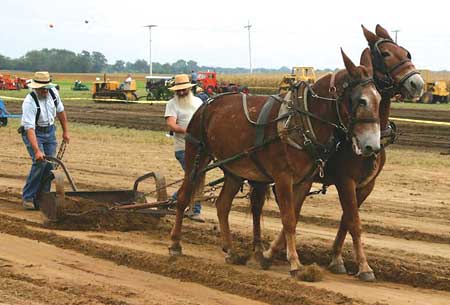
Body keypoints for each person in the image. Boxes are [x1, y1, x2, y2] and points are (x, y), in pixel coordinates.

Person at [19, 71, 69, 210]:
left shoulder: (53, 93)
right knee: (40, 163)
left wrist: (65, 131)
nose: (45, 91)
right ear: (35, 88)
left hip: (50, 131)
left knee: (50, 166)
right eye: (42, 89)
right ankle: (28, 197)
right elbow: (29, 129)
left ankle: (43, 197)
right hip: (35, 132)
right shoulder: (29, 102)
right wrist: (37, 151)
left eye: (46, 88)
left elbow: (61, 112)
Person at [165, 74, 204, 222]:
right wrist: (187, 132)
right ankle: (194, 210)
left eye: (183, 90)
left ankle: (175, 200)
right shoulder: (172, 104)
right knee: (195, 177)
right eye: (178, 90)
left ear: (189, 89)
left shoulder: (198, 102)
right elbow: (171, 124)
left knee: (194, 178)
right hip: (183, 148)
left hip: (200, 147)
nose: (181, 93)